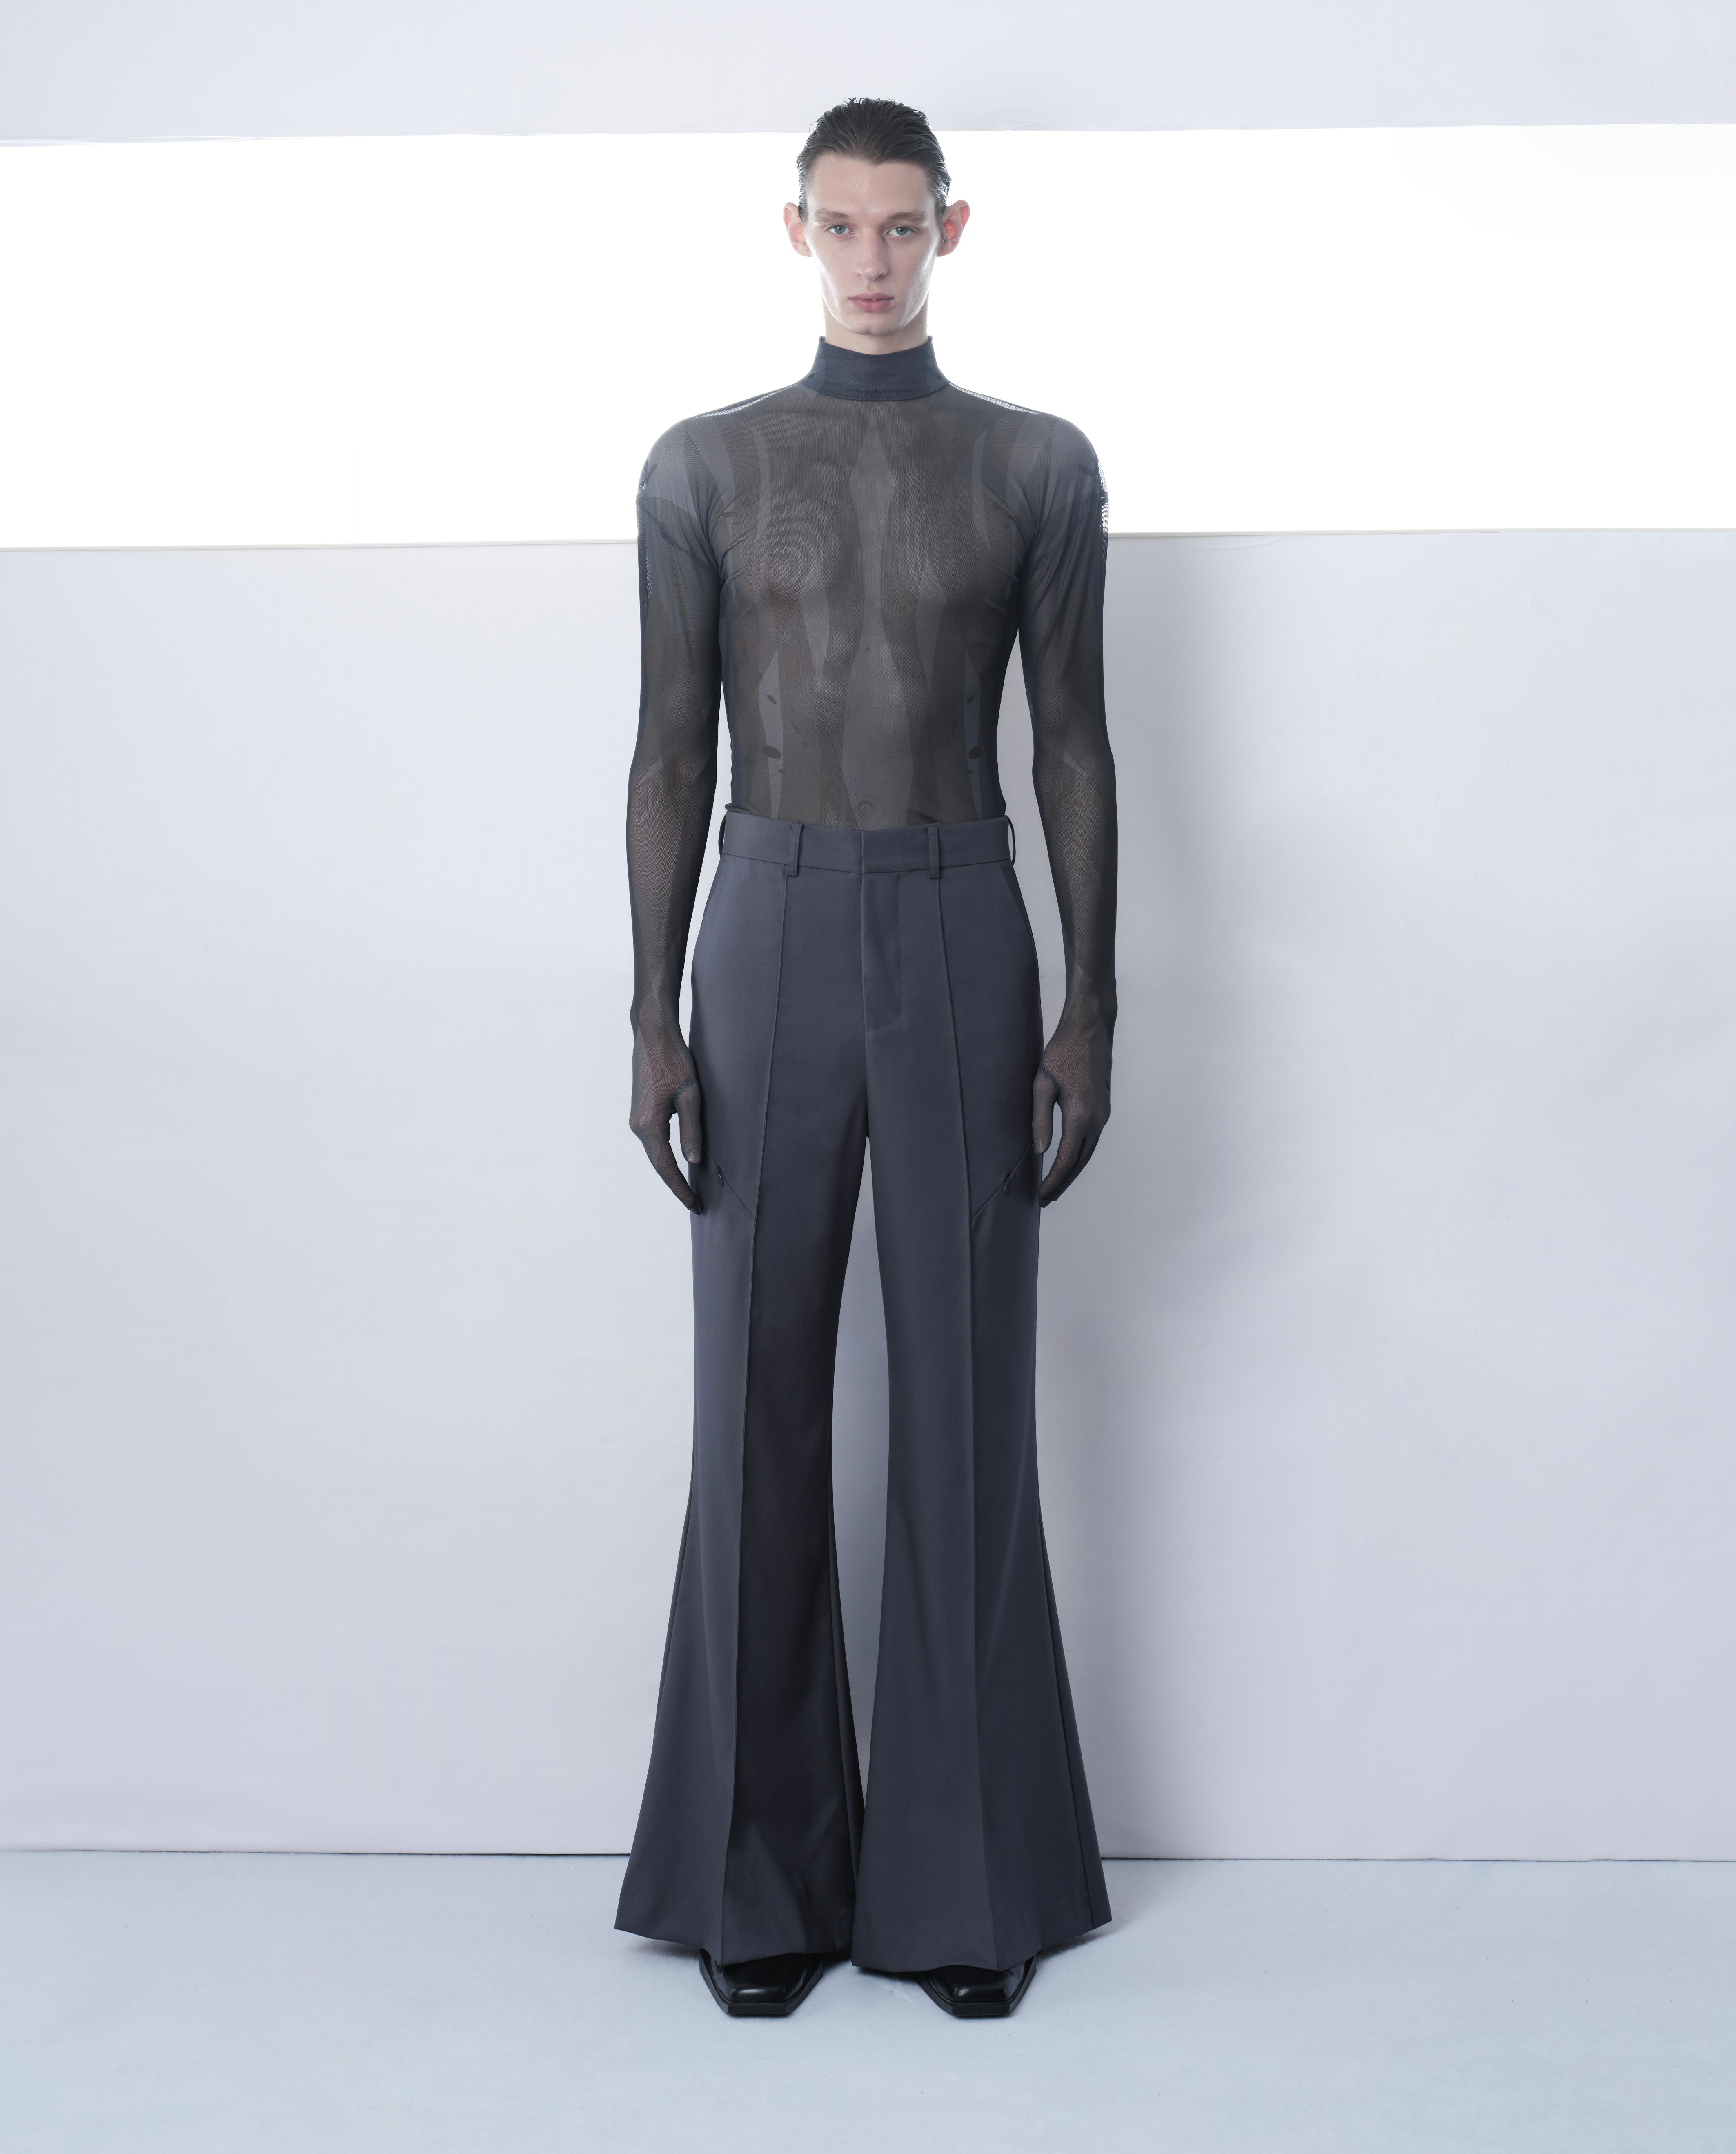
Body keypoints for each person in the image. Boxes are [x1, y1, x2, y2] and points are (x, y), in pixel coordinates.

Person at [615, 96, 1117, 2020]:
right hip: (764, 919)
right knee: (752, 1401)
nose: (875, 261)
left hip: (964, 910)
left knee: (964, 1404)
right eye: (843, 226)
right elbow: (669, 746)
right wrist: (651, 1011)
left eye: (904, 227)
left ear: (951, 230)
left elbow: (1067, 742)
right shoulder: (706, 463)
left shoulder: (1033, 464)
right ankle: (754, 1881)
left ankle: (964, 1887)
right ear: (796, 231)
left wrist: (1093, 1002)